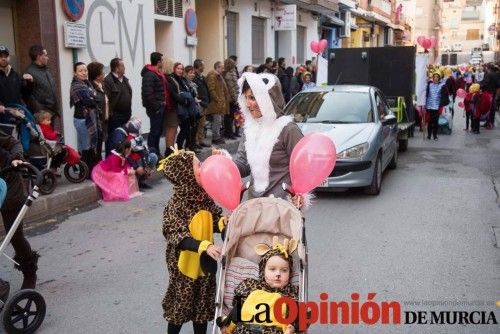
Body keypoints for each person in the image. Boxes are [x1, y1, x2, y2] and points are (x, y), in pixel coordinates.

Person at [158, 148, 225, 334]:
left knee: (201, 307)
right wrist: (204, 245)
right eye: (197, 164)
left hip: (205, 263)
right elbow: (175, 234)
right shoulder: (176, 204)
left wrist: (223, 223)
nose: (202, 167)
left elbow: (212, 221)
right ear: (186, 172)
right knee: (179, 307)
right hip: (184, 266)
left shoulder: (203, 196)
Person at [213, 72, 306, 207]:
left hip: (282, 207)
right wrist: (225, 162)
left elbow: (303, 167)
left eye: (252, 97)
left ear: (269, 99)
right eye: (245, 98)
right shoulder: (250, 128)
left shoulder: (288, 129)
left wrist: (300, 195)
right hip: (254, 206)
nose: (248, 104)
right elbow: (243, 165)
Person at [217, 237, 298, 334]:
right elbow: (238, 310)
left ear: (290, 273)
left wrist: (293, 328)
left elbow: (296, 316)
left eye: (284, 270)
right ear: (263, 271)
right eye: (272, 269)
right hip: (245, 328)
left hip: (274, 330)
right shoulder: (251, 287)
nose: (278, 274)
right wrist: (229, 326)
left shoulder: (290, 293)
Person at [0, 128, 39, 289]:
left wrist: (16, 159)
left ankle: (30, 273)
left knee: (15, 236)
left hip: (9, 186)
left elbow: (14, 143)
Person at [70, 62, 102, 172]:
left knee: (89, 146)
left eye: (85, 70)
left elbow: (96, 98)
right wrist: (93, 98)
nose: (84, 73)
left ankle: (90, 169)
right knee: (86, 147)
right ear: (75, 73)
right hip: (82, 119)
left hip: (90, 118)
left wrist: (93, 98)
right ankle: (86, 171)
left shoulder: (87, 84)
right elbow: (88, 101)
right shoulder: (76, 85)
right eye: (80, 71)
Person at [141, 52, 170, 156]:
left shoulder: (157, 73)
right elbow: (147, 93)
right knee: (154, 132)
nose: (163, 62)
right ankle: (152, 154)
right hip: (156, 108)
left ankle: (156, 152)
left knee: (158, 131)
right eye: (162, 60)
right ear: (158, 62)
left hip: (161, 106)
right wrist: (157, 107)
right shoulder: (149, 74)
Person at [25, 45, 60, 128]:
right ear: (39, 56)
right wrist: (41, 113)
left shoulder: (45, 69)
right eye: (46, 55)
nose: (48, 58)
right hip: (43, 116)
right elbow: (28, 96)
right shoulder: (30, 72)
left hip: (51, 112)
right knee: (45, 139)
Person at [103, 58, 132, 143]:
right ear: (116, 69)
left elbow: (129, 94)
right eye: (122, 66)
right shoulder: (108, 80)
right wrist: (112, 115)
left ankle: (122, 156)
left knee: (124, 139)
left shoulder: (125, 79)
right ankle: (111, 155)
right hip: (115, 117)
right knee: (113, 139)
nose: (124, 67)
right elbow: (107, 100)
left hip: (126, 115)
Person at [0, 45, 33, 115]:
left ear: (9, 57)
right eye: (0, 56)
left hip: (17, 113)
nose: (3, 58)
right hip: (2, 115)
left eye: (5, 56)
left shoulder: (15, 75)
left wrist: (30, 82)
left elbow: (25, 93)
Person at [206, 61, 230, 145]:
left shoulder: (219, 75)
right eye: (222, 68)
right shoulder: (212, 75)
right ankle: (215, 137)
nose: (223, 70)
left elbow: (223, 89)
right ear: (217, 67)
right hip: (215, 103)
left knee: (219, 121)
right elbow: (211, 89)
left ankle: (217, 136)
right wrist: (217, 99)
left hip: (220, 103)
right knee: (217, 120)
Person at [87, 61, 107, 159]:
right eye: (102, 72)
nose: (104, 74)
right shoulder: (91, 87)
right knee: (95, 149)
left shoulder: (102, 85)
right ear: (97, 75)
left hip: (103, 121)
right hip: (96, 122)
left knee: (100, 147)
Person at [193, 59, 211, 148]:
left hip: (205, 103)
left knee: (202, 124)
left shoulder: (202, 77)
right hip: (199, 104)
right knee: (197, 123)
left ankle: (201, 140)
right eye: (202, 65)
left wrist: (208, 100)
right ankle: (195, 141)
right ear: (198, 66)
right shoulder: (194, 77)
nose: (204, 67)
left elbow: (206, 90)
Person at [425, 71, 447, 140]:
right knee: (429, 122)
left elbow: (444, 96)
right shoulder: (429, 85)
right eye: (434, 77)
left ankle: (435, 136)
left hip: (437, 107)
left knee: (435, 122)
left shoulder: (442, 86)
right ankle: (429, 135)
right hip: (429, 106)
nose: (435, 78)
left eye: (437, 77)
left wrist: (442, 104)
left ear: (439, 78)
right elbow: (425, 93)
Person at [223, 58, 239, 139]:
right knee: (229, 117)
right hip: (231, 99)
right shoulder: (229, 75)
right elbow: (232, 89)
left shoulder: (232, 73)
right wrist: (236, 99)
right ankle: (229, 133)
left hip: (233, 98)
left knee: (233, 116)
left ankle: (232, 132)